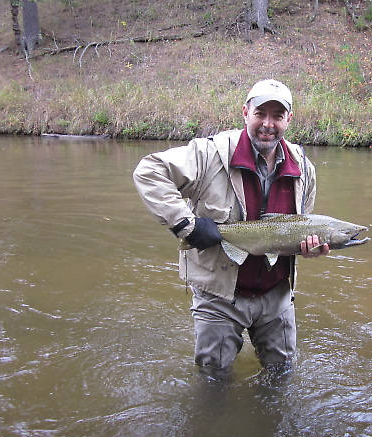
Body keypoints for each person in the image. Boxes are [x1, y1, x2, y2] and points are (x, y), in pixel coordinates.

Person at [133, 79, 329, 373]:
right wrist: (187, 225)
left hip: (276, 295)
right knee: (213, 380)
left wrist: (309, 248)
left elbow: (301, 226)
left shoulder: (303, 168)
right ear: (245, 112)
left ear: (289, 119)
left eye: (277, 116)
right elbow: (149, 171)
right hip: (219, 296)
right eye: (260, 114)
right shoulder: (208, 154)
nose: (268, 124)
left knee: (282, 376)